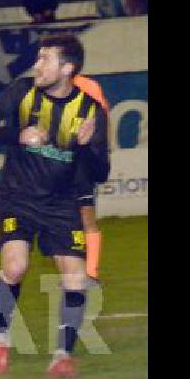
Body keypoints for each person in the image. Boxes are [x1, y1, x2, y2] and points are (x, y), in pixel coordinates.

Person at [0, 33, 110, 378]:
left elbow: (100, 173)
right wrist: (16, 136)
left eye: (45, 59)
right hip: (18, 196)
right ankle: (0, 340)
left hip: (61, 202)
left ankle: (62, 356)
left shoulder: (89, 112)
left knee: (76, 278)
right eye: (38, 58)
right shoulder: (22, 91)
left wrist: (89, 146)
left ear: (67, 68)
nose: (37, 65)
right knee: (16, 267)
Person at [71, 74, 110, 284]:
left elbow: (102, 118)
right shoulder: (49, 84)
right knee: (70, 223)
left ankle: (91, 273)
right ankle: (80, 271)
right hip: (61, 166)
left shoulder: (86, 86)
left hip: (80, 164)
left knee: (86, 219)